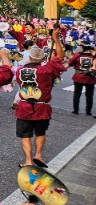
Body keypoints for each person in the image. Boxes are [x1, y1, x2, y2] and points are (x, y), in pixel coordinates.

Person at [15, 27, 65, 168]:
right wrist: (55, 39)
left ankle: (28, 161)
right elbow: (60, 58)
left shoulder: (20, 71)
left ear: (30, 57)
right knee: (40, 132)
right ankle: (38, 155)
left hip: (24, 106)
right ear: (42, 58)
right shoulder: (47, 69)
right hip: (42, 107)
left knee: (25, 135)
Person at [69, 42, 95, 115]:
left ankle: (76, 110)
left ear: (82, 47)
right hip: (90, 77)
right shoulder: (93, 57)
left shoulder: (77, 55)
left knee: (77, 94)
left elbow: (70, 63)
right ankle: (88, 111)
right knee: (89, 95)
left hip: (79, 76)